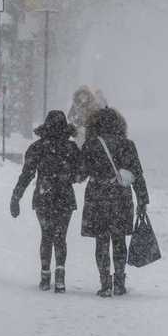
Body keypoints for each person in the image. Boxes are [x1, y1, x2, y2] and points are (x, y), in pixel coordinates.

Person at [10, 110, 82, 293]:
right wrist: (68, 176)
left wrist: (16, 196)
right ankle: (60, 277)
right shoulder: (72, 149)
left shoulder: (37, 147)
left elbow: (26, 175)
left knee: (46, 236)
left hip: (44, 196)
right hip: (65, 197)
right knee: (60, 237)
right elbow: (80, 174)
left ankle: (44, 276)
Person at [80, 107, 148, 297]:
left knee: (101, 241)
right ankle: (119, 281)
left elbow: (80, 173)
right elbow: (138, 175)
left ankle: (104, 283)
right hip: (121, 197)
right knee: (119, 241)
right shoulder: (128, 145)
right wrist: (143, 200)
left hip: (97, 197)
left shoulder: (90, 145)